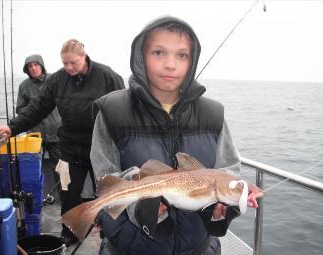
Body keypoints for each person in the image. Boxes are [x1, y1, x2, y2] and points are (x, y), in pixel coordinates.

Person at [90, 16, 262, 255]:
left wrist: (219, 209)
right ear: (141, 56)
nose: (171, 64)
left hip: (199, 247)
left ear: (192, 61)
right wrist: (141, 208)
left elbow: (228, 169)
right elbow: (105, 175)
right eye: (159, 53)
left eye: (182, 55)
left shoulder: (213, 113)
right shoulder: (112, 110)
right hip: (130, 247)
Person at [0, 39, 125, 245]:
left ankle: (112, 233)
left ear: (84, 56)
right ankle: (70, 231)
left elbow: (123, 109)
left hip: (100, 148)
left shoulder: (107, 76)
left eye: (73, 63)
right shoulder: (57, 80)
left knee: (107, 193)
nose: (68, 67)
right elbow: (37, 108)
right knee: (68, 194)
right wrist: (12, 127)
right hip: (69, 149)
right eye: (64, 63)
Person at [17, 54, 61, 187]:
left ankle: (65, 199)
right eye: (30, 66)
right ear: (27, 69)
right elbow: (19, 109)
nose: (33, 68)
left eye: (36, 65)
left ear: (41, 66)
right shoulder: (24, 86)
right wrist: (33, 110)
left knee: (60, 169)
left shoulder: (54, 79)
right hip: (34, 136)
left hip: (56, 134)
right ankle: (34, 198)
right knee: (33, 170)